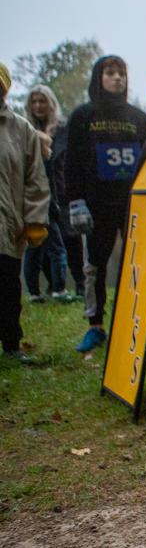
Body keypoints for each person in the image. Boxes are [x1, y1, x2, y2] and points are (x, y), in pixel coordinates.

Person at [65, 56, 146, 352]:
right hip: (95, 205)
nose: (117, 78)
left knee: (141, 261)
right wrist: (75, 202)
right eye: (110, 73)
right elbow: (71, 162)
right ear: (98, 77)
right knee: (96, 265)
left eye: (122, 73)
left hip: (134, 204)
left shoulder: (139, 119)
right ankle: (95, 326)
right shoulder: (82, 117)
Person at [0, 63, 51, 363]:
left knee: (7, 283)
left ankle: (11, 343)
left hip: (9, 224)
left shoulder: (21, 129)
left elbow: (35, 178)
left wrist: (34, 219)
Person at [22, 86, 71, 302]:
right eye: (34, 102)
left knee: (35, 249)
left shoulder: (63, 129)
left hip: (50, 200)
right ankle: (58, 290)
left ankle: (34, 293)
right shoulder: (22, 130)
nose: (38, 106)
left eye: (42, 101)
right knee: (55, 249)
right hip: (42, 204)